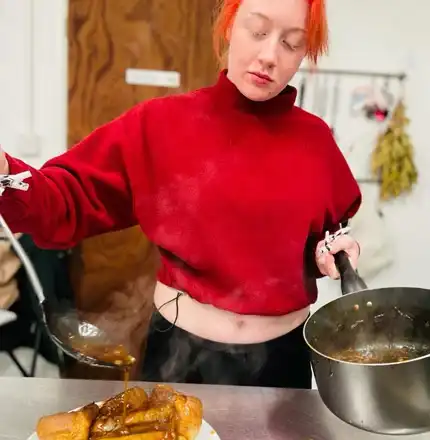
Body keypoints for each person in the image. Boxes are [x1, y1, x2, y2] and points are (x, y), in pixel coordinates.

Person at [0, 0, 361, 389]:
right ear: (228, 27)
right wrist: (6, 172)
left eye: (292, 43)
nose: (269, 55)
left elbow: (325, 232)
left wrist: (332, 252)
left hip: (283, 360)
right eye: (257, 32)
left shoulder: (315, 142)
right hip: (179, 354)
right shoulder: (160, 125)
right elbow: (64, 198)